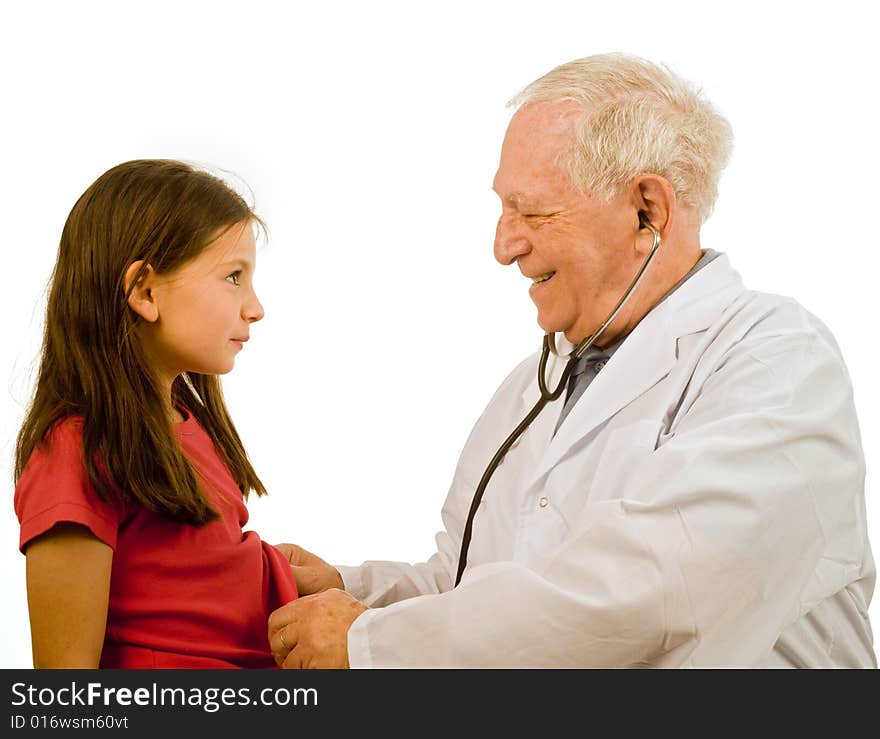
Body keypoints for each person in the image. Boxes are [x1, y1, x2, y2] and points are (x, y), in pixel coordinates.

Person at [268, 53, 876, 668]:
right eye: (504, 210)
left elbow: (648, 595)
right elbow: (471, 590)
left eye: (531, 212)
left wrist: (373, 645)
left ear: (648, 212)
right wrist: (350, 592)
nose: (504, 246)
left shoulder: (776, 360)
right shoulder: (535, 388)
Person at [14, 159, 298, 668]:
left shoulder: (188, 425)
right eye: (233, 277)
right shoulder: (75, 450)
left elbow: (196, 589)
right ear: (145, 291)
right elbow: (64, 696)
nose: (255, 308)